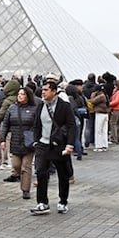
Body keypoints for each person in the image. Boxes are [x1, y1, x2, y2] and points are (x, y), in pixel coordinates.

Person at [30, 81, 75, 215]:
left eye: (46, 90)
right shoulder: (40, 106)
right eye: (42, 90)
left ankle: (62, 201)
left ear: (54, 91)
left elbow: (72, 126)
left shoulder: (64, 106)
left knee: (62, 174)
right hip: (43, 145)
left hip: (58, 145)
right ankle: (42, 203)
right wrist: (36, 141)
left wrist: (70, 144)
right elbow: (37, 125)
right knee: (41, 173)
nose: (43, 92)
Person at [0, 87, 38, 200]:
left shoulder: (34, 109)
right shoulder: (12, 108)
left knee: (26, 166)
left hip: (28, 140)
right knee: (16, 165)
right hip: (15, 140)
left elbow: (37, 125)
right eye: (19, 94)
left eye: (22, 94)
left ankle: (25, 190)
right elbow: (5, 124)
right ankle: (17, 176)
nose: (20, 96)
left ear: (28, 96)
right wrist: (3, 139)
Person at [89, 87, 110, 152]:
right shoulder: (105, 95)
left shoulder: (101, 96)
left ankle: (98, 146)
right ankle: (104, 145)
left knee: (98, 130)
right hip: (105, 114)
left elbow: (92, 101)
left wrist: (92, 95)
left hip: (100, 114)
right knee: (104, 130)